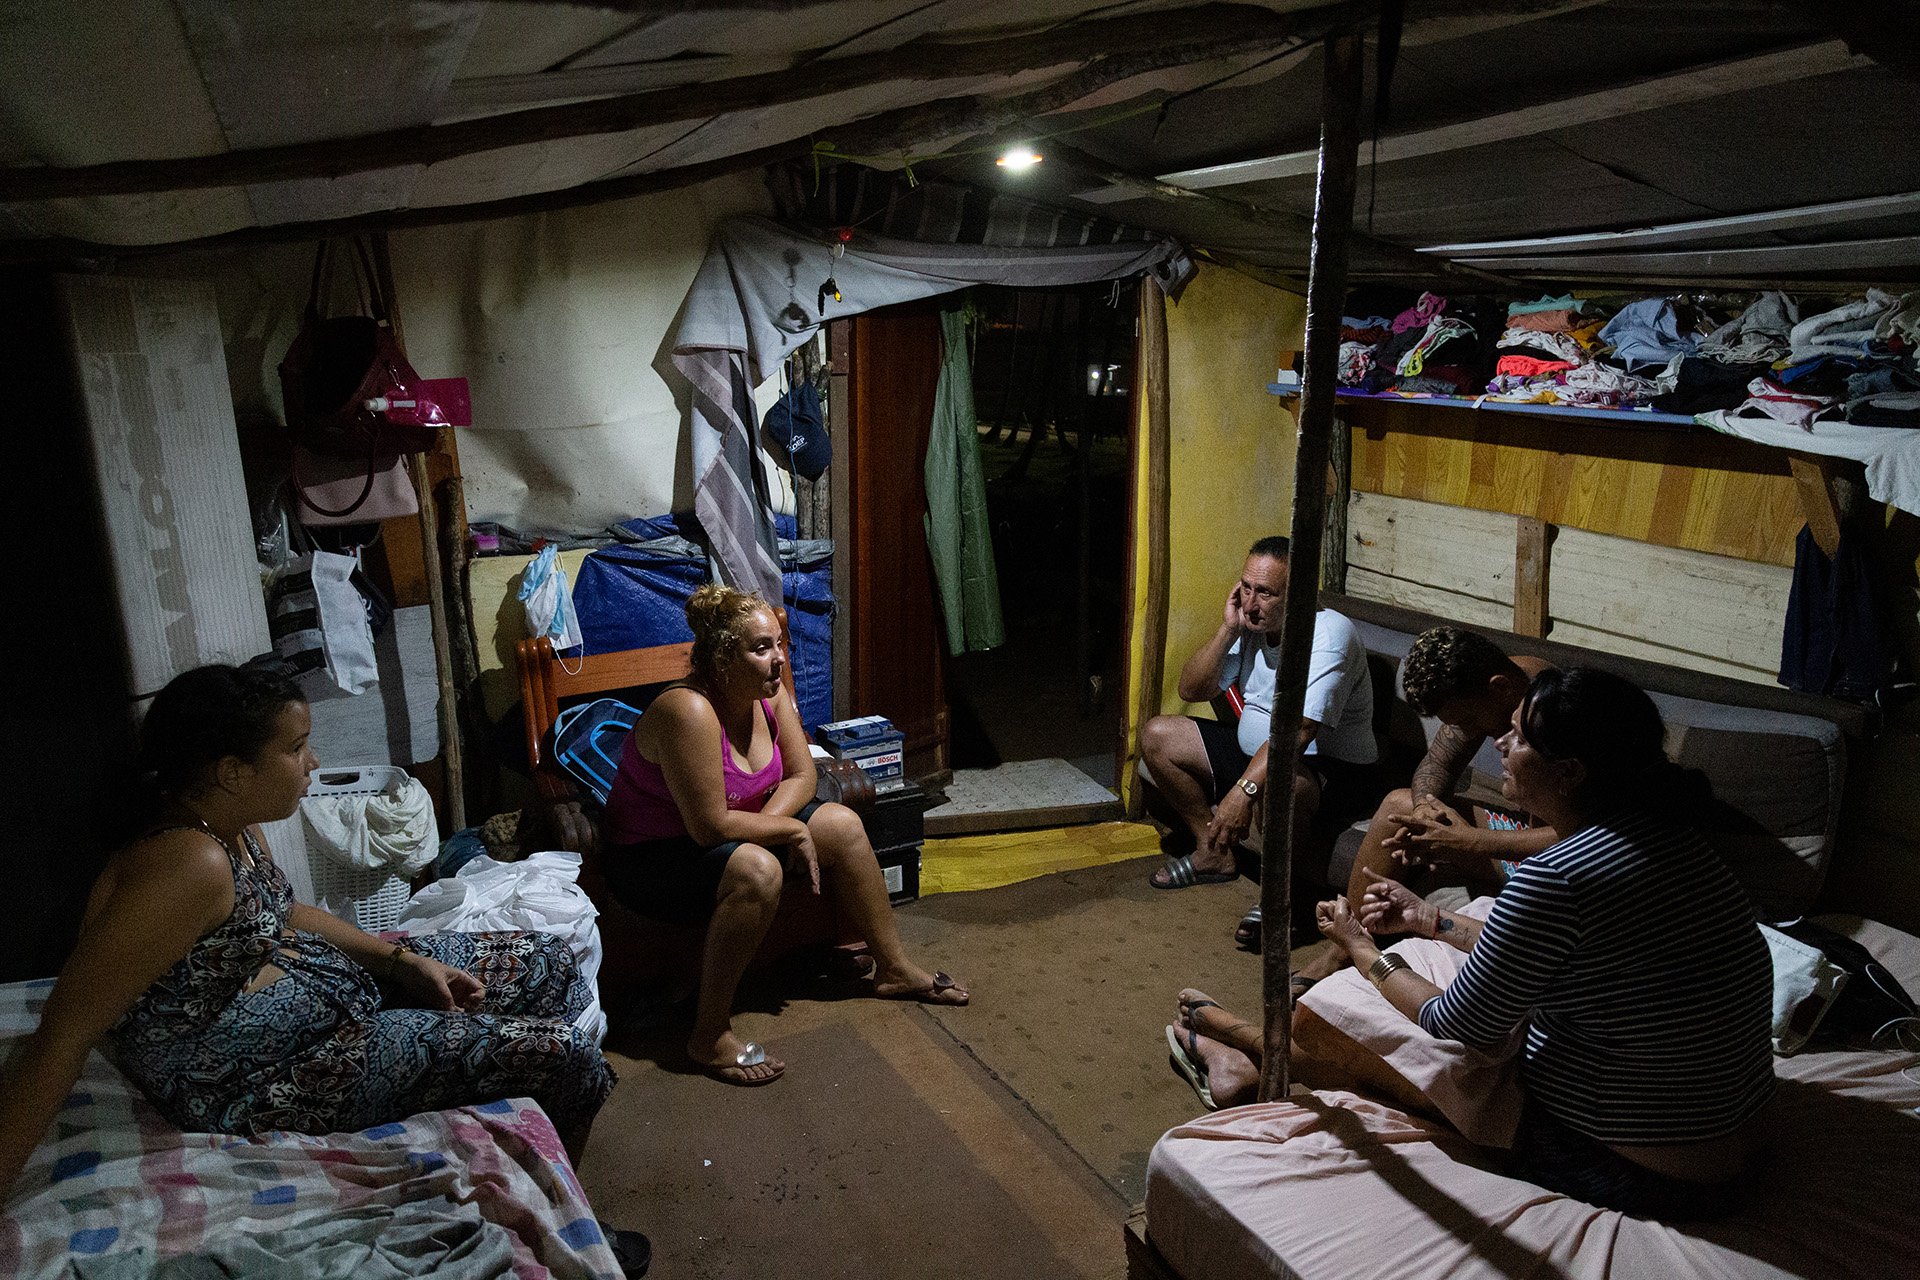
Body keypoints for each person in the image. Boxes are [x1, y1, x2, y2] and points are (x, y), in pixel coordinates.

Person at [0, 663, 646, 1270]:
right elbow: (63, 1034)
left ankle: (533, 1145)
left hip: (322, 1001)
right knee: (561, 1056)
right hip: (262, 1074)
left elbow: (286, 912)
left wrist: (400, 961)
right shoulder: (185, 865)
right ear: (231, 769)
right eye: (296, 749)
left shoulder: (230, 825)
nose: (313, 764)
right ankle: (558, 1222)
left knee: (549, 963)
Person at [1314, 667, 1775, 1218]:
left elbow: (1459, 1025)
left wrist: (1364, 951)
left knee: (1384, 1042)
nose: (1503, 745)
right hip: (1743, 1142)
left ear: (1571, 772)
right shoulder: (1677, 839)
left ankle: (1246, 1049)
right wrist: (1429, 919)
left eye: (1522, 739)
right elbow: (1552, 951)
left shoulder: (1555, 877)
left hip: (1641, 1174)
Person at [599, 585, 968, 1087]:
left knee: (841, 824)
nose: (778, 660)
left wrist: (776, 825)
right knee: (758, 867)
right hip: (654, 856)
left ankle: (894, 967)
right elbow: (708, 825)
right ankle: (707, 1034)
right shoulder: (688, 711)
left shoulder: (770, 698)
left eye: (780, 645)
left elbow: (802, 776)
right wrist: (787, 831)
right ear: (723, 658)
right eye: (761, 648)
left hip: (735, 828)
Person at [1254, 625, 1558, 964]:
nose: (1492, 738)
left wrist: (1471, 841)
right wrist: (1426, 810)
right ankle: (1344, 948)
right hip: (1528, 830)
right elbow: (1436, 766)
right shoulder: (1501, 684)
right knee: (1400, 804)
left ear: (1499, 687)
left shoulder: (1561, 717)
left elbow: (1589, 840)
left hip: (1560, 855)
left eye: (1469, 719)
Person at [1142, 534, 1378, 890]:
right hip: (1261, 754)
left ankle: (1280, 893)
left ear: (1297, 596)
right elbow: (1192, 690)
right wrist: (1227, 629)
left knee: (1281, 783)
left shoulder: (1329, 635)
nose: (1251, 604)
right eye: (1246, 588)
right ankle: (1213, 852)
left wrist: (1242, 791)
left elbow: (1300, 730)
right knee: (1157, 736)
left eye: (1265, 593)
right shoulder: (1252, 622)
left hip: (1328, 771)